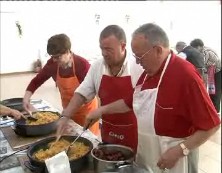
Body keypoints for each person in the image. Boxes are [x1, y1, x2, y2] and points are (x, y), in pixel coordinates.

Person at [84, 23, 221, 173]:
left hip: (176, 160)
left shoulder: (185, 75)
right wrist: (100, 111)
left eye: (140, 56)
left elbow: (212, 125)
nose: (137, 62)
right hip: (149, 157)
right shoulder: (148, 74)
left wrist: (180, 150)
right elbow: (129, 102)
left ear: (157, 50)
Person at [56, 25, 144, 152]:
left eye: (108, 49)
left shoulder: (138, 67)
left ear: (123, 46)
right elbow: (82, 93)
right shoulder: (97, 66)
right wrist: (66, 116)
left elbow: (135, 101)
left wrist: (101, 110)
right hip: (109, 131)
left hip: (135, 133)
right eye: (102, 48)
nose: (104, 53)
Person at [22, 33, 99, 136]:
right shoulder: (53, 64)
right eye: (52, 57)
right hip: (67, 111)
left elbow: (90, 93)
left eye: (58, 57)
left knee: (87, 140)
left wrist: (67, 114)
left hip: (86, 112)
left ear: (68, 52)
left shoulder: (82, 65)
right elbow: (37, 80)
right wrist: (26, 98)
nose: (54, 60)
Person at [190, 39, 221, 113]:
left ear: (199, 46)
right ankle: (213, 109)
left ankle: (216, 111)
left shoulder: (205, 52)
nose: (194, 50)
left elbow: (202, 64)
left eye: (194, 48)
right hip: (212, 71)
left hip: (217, 71)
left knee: (215, 91)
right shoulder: (205, 50)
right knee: (211, 91)